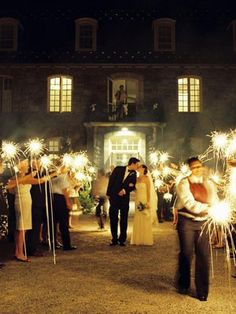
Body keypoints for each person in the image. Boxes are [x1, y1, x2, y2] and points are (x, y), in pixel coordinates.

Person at [175, 156, 218, 301]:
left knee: (204, 256)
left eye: (199, 166)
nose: (198, 169)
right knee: (187, 253)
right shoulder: (183, 183)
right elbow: (189, 203)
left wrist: (215, 208)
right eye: (194, 167)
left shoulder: (209, 183)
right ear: (190, 169)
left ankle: (202, 290)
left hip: (204, 222)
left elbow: (214, 199)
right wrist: (208, 208)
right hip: (187, 221)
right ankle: (183, 283)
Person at [6, 159, 55, 262]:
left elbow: (11, 191)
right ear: (21, 167)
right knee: (22, 229)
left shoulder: (17, 177)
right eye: (26, 165)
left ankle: (17, 251)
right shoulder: (22, 178)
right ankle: (20, 253)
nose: (28, 166)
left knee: (19, 228)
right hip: (24, 202)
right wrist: (55, 173)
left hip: (19, 201)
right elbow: (40, 181)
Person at [106, 157, 140, 246]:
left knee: (124, 219)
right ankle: (114, 239)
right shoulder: (118, 169)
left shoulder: (134, 174)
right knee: (113, 218)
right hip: (114, 198)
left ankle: (122, 240)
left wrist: (124, 190)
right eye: (137, 164)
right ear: (132, 163)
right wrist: (109, 194)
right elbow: (111, 181)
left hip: (124, 199)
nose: (138, 166)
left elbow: (132, 186)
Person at [50, 165, 76, 251]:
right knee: (63, 222)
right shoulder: (63, 177)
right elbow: (65, 190)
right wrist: (68, 202)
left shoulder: (54, 178)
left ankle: (53, 242)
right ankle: (66, 244)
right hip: (60, 199)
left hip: (53, 199)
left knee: (54, 222)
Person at [130, 165, 154, 245]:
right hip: (137, 199)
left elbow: (148, 191)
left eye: (140, 167)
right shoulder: (136, 179)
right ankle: (138, 239)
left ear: (144, 169)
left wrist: (148, 202)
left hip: (144, 199)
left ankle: (145, 238)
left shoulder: (147, 178)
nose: (139, 168)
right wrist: (131, 187)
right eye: (138, 167)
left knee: (145, 217)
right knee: (138, 217)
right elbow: (135, 189)